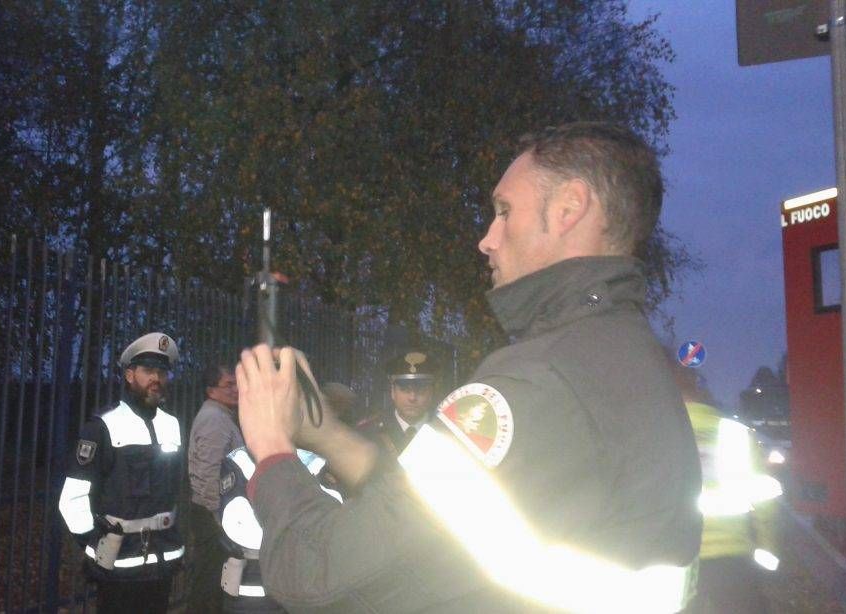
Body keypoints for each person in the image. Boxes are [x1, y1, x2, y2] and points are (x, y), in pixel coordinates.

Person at [234, 122, 704, 612]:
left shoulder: (536, 383)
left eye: (504, 212)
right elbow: (441, 518)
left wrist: (271, 451)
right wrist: (328, 435)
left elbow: (316, 573)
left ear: (569, 208)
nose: (487, 238)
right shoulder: (624, 359)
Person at [58, 332, 184, 614]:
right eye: (148, 370)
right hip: (119, 565)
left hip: (162, 562)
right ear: (129, 375)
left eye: (162, 372)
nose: (156, 378)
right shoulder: (102, 427)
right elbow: (72, 498)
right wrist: (94, 546)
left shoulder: (172, 425)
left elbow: (176, 488)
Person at [671, 356, 782, 613]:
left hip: (679, 559)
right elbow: (763, 497)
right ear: (702, 392)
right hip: (733, 556)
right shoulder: (735, 433)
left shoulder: (659, 435)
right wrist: (767, 547)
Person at [185, 364, 243, 614]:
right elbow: (208, 470)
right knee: (208, 584)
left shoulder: (221, 416)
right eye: (228, 385)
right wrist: (216, 517)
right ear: (211, 391)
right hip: (212, 515)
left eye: (236, 383)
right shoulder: (214, 419)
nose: (236, 389)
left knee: (213, 581)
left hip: (215, 512)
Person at [358, 351, 437, 455]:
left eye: (420, 390)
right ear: (392, 391)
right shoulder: (368, 432)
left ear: (431, 393)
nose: (412, 397)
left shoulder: (445, 430)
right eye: (404, 389)